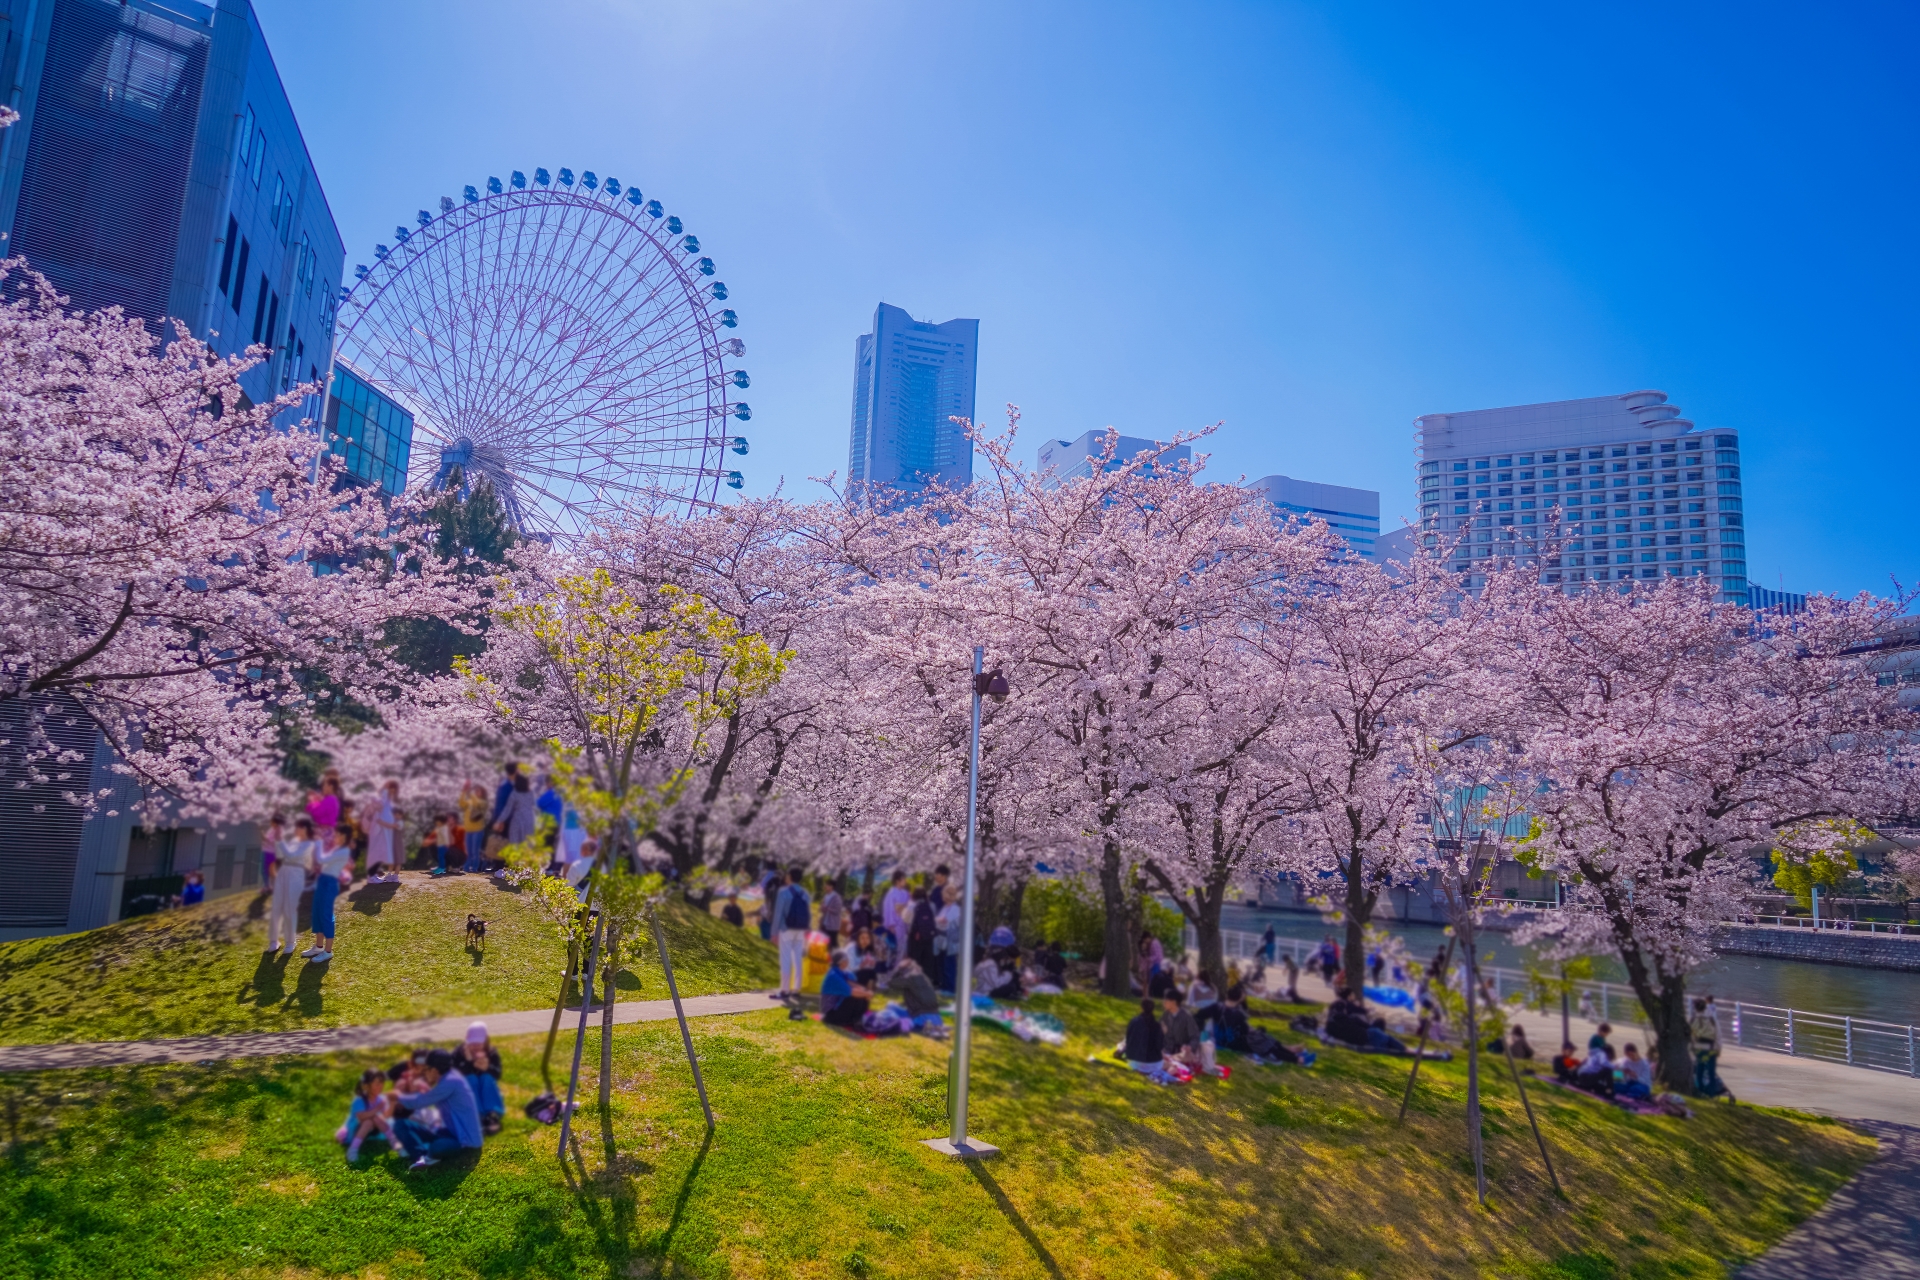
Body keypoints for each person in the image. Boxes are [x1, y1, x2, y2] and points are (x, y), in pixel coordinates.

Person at [390, 1049, 484, 1171]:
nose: (424, 1073)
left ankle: (427, 1156)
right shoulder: (449, 1077)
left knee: (438, 1147)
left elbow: (421, 1101)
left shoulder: (451, 1082)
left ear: (434, 1070)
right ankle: (423, 1156)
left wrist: (398, 1096)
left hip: (464, 1141)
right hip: (447, 1131)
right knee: (401, 1124)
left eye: (426, 1070)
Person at [269, 818, 317, 957]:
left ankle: (291, 942)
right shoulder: (294, 841)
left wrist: (281, 841)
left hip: (296, 874)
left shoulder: (309, 844)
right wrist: (278, 840)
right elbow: (281, 855)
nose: (296, 830)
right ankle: (274, 940)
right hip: (283, 871)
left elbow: (292, 855)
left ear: (306, 829)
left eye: (299, 827)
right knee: (276, 906)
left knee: (290, 907)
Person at [302, 829, 352, 962]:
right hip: (322, 880)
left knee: (326, 915)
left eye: (340, 834)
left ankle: (328, 951)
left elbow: (321, 859)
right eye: (337, 834)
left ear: (345, 837)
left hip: (330, 884)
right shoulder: (336, 849)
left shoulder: (343, 851)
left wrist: (317, 844)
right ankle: (318, 947)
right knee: (317, 913)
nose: (337, 836)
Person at [337, 1067, 402, 1163]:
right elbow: (361, 1117)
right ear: (367, 1086)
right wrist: (377, 1109)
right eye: (377, 1084)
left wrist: (392, 1103)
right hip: (355, 1130)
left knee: (375, 1118)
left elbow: (386, 1116)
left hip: (371, 1131)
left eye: (382, 1083)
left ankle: (393, 1141)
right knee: (369, 1120)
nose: (381, 1086)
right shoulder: (359, 1100)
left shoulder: (380, 1099)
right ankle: (353, 1149)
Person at [454, 1022, 506, 1134]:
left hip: (486, 1090)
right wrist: (468, 1062)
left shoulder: (491, 1052)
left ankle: (492, 1114)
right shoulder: (459, 1052)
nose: (476, 1046)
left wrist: (487, 1068)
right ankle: (477, 1116)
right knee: (471, 1078)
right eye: (473, 1043)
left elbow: (497, 1074)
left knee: (487, 1078)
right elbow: (454, 1075)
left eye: (479, 1043)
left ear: (485, 1041)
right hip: (467, 1089)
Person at [771, 867, 810, 1000]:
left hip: (786, 929)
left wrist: (774, 932)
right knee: (798, 959)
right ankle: (796, 989)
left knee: (785, 959)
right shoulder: (805, 894)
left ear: (790, 877)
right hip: (800, 930)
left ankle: (784, 990)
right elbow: (807, 913)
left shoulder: (783, 892)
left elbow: (778, 914)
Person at [1123, 998, 1174, 1084]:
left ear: (1141, 1008)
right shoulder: (1157, 1026)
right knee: (1171, 1065)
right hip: (1153, 1064)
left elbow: (1128, 1039)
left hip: (1133, 1062)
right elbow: (1160, 1046)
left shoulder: (1134, 1022)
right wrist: (1164, 1034)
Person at [1690, 996, 1729, 1097]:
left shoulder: (1693, 1019)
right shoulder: (1711, 1018)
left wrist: (1692, 1047)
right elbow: (1718, 1034)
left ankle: (1700, 1091)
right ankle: (1711, 1093)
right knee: (1711, 1071)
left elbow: (1691, 1034)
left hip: (1699, 1048)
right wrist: (1719, 1048)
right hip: (1711, 1048)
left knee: (1700, 1070)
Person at [819, 953, 871, 1028]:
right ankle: (855, 1019)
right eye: (846, 959)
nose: (848, 961)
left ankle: (858, 1018)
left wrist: (865, 991)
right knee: (855, 995)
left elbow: (853, 984)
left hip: (837, 1008)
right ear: (841, 962)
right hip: (830, 1015)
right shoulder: (833, 975)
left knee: (861, 993)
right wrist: (867, 994)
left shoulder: (842, 972)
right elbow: (851, 992)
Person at [365, 780, 402, 883]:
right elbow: (379, 814)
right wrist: (390, 825)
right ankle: (371, 875)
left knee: (381, 853)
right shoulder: (383, 797)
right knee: (378, 852)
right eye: (390, 788)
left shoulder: (390, 801)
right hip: (380, 830)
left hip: (386, 831)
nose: (392, 791)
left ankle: (373, 875)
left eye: (393, 789)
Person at [1161, 990, 1203, 1071]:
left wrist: (1190, 1047)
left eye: (1166, 1000)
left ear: (1173, 1002)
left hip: (1180, 1052)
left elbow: (1195, 1036)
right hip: (1166, 1049)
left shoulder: (1187, 1017)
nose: (1164, 1003)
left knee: (1185, 1056)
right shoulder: (1166, 1014)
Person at [495, 772, 537, 851]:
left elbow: (507, 809)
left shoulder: (514, 793)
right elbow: (533, 804)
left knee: (515, 847)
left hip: (517, 821)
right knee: (527, 847)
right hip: (529, 821)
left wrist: (499, 820)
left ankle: (516, 863)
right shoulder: (530, 793)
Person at [457, 781, 491, 873]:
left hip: (478, 830)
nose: (476, 792)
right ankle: (467, 867)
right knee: (468, 851)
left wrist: (469, 792)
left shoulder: (483, 802)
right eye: (475, 790)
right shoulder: (470, 801)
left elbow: (477, 803)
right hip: (468, 830)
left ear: (483, 793)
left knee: (475, 850)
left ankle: (474, 868)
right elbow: (461, 803)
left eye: (478, 791)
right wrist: (464, 791)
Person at [932, 894, 963, 991]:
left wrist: (942, 920)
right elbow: (938, 920)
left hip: (951, 938)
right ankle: (944, 985)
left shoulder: (956, 909)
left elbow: (948, 921)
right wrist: (939, 920)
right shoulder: (945, 907)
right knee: (943, 963)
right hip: (942, 937)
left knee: (949, 963)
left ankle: (950, 987)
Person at [906, 887, 939, 976]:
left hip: (915, 936)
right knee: (928, 960)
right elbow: (934, 919)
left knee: (915, 960)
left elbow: (906, 919)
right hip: (929, 936)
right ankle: (927, 981)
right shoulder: (932, 905)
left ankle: (915, 981)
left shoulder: (911, 905)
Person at [880, 871, 912, 958]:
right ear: (897, 881)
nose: (905, 881)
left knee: (903, 946)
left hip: (903, 923)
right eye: (903, 879)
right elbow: (889, 909)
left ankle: (900, 967)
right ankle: (893, 968)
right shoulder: (891, 893)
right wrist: (891, 924)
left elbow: (909, 907)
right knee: (894, 947)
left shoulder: (905, 893)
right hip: (895, 924)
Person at [307, 771, 343, 836]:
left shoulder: (331, 799)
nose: (322, 788)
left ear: (331, 786)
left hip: (325, 831)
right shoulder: (328, 798)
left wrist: (313, 802)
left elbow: (317, 813)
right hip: (322, 830)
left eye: (324, 785)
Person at [1188, 969, 1222, 1034]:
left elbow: (1190, 1001)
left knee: (1190, 1010)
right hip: (1211, 1012)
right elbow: (1215, 1000)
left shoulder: (1194, 986)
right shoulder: (1213, 987)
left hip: (1199, 1012)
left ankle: (1197, 1031)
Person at [819, 878, 845, 946]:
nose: (825, 887)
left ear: (831, 887)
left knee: (833, 942)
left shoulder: (837, 897)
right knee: (823, 941)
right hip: (824, 923)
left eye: (827, 885)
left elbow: (837, 911)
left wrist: (827, 908)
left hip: (833, 925)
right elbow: (823, 908)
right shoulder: (826, 896)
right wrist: (822, 908)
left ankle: (838, 955)